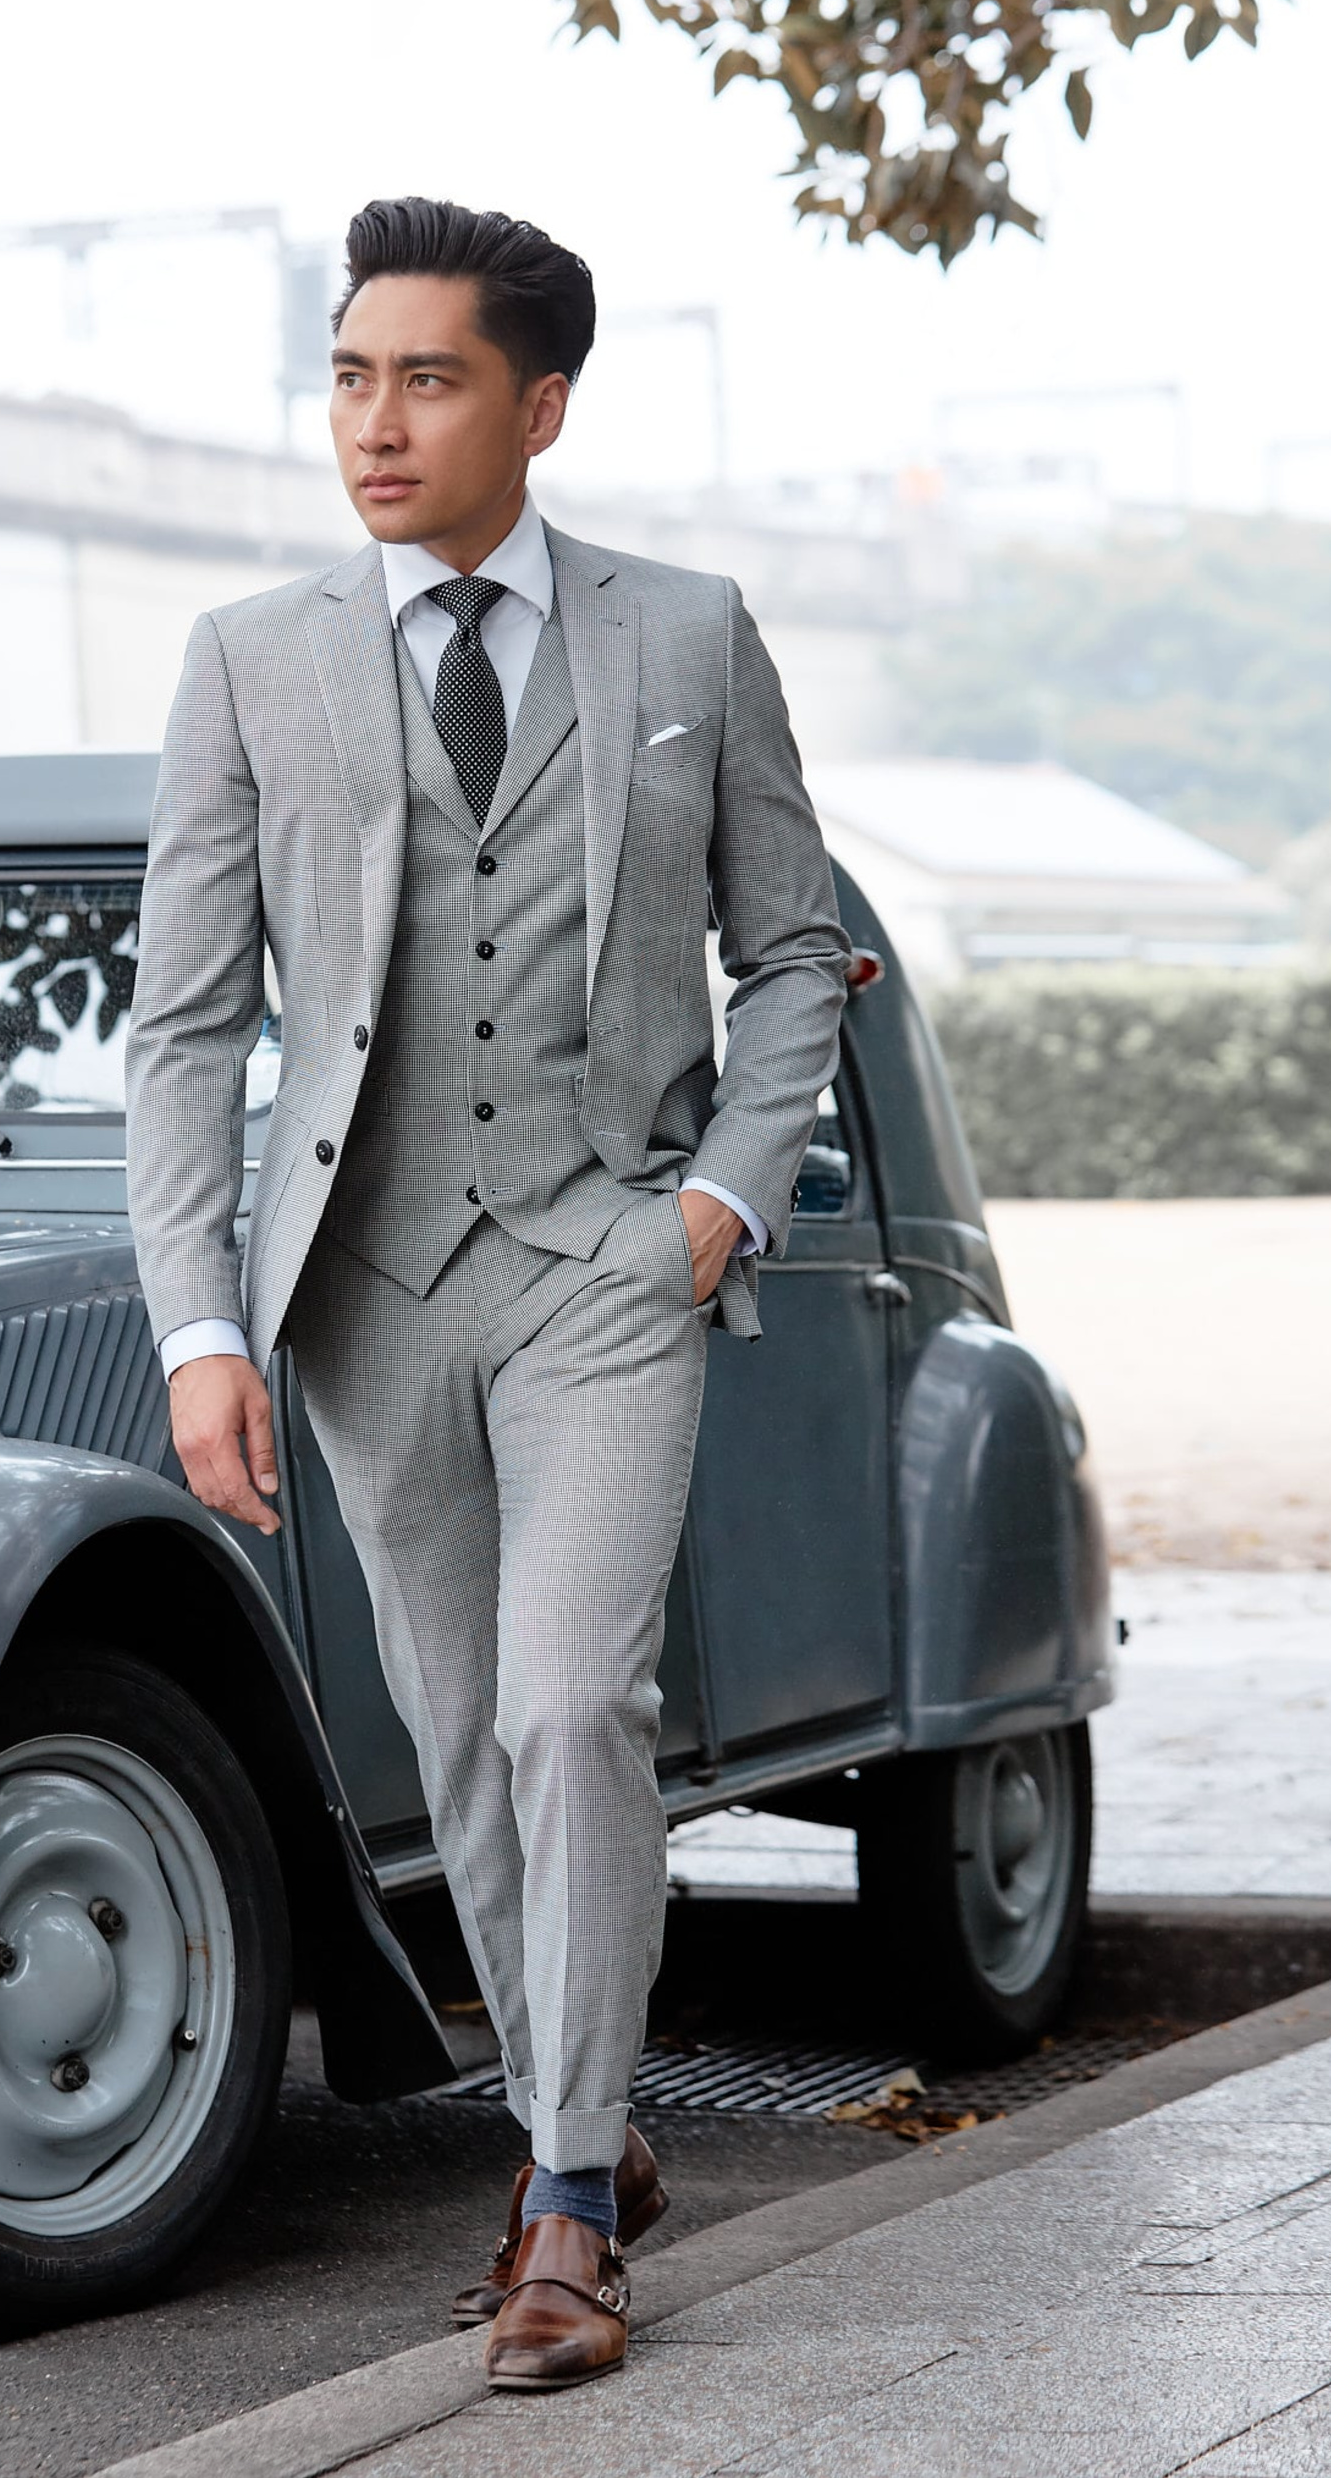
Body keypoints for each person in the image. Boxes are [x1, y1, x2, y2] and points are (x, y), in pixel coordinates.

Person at [125, 196, 848, 2391]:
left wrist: (724, 1198)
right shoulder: (247, 659)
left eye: (425, 377)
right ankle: (589, 2126)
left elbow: (795, 948)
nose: (373, 420)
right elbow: (181, 1029)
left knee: (569, 1707)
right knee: (461, 1748)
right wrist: (198, 1326)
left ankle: (556, 2211)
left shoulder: (689, 638)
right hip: (362, 1292)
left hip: (609, 1265)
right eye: (347, 374)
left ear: (539, 403)